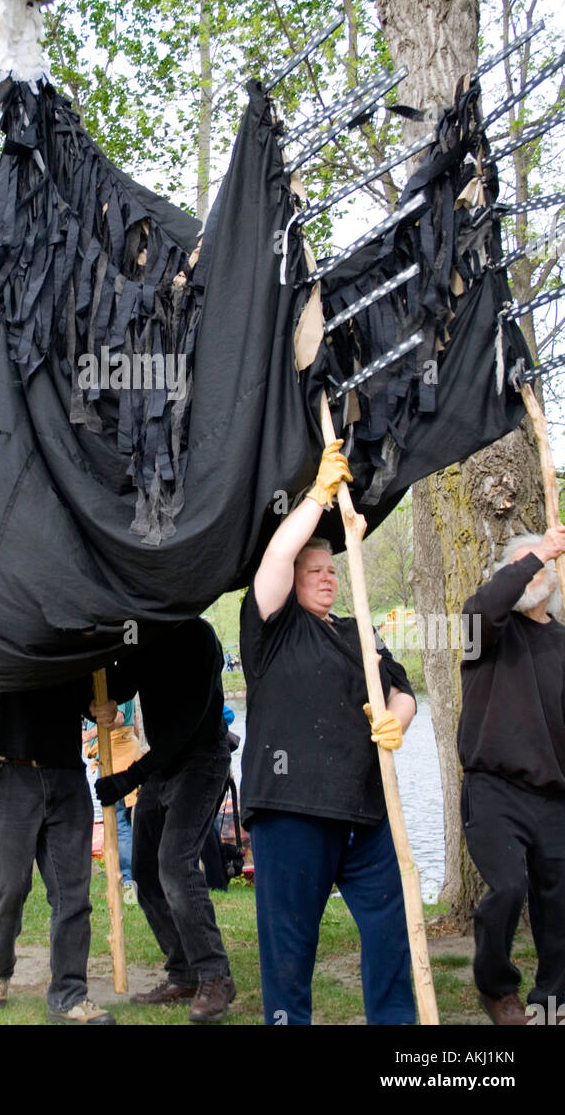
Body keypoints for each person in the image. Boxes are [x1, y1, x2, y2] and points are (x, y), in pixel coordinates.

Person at [240, 439, 417, 1025]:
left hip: (366, 813)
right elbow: (273, 560)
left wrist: (398, 718)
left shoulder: (358, 631)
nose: (328, 578)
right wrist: (317, 498)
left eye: (333, 570)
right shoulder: (273, 626)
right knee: (290, 949)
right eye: (314, 570)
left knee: (393, 931)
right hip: (292, 808)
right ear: (293, 579)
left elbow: (401, 690)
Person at [95, 619, 235, 1023]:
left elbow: (182, 729)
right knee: (144, 873)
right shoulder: (143, 634)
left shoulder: (198, 636)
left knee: (175, 864)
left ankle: (215, 975)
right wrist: (98, 693)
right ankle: (185, 973)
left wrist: (128, 778)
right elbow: (119, 684)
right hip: (163, 766)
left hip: (202, 760)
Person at [459, 525, 565, 1026]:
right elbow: (480, 609)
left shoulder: (562, 640)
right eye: (520, 565)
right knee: (506, 888)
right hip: (493, 787)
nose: (532, 571)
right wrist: (536, 552)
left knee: (560, 902)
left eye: (541, 563)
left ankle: (552, 1001)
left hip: (554, 797)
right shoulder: (488, 633)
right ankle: (497, 988)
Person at [0, 679, 116, 1025]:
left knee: (73, 894)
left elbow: (93, 686)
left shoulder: (74, 632)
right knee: (8, 887)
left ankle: (69, 995)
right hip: (4, 768)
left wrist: (103, 703)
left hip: (65, 771)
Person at [83, 699, 141, 903]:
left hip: (117, 758)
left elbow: (118, 718)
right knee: (125, 821)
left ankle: (128, 885)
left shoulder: (114, 686)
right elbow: (134, 724)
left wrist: (87, 735)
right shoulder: (125, 689)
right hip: (125, 754)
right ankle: (128, 878)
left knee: (120, 822)